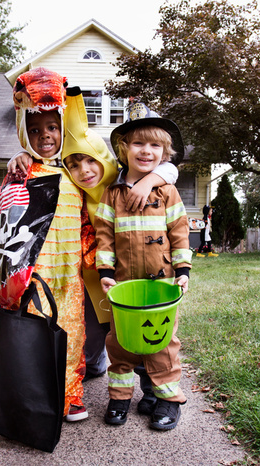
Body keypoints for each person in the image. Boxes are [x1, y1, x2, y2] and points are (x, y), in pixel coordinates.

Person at [8, 88, 179, 418]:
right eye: (75, 164)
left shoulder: (121, 179)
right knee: (99, 336)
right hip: (90, 275)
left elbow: (168, 169)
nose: (84, 169)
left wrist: (151, 178)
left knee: (140, 328)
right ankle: (97, 364)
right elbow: (43, 166)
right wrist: (18, 157)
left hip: (137, 269)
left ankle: (153, 389)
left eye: (90, 160)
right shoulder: (74, 185)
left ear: (104, 159)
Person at [0, 67, 87, 422]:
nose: (45, 135)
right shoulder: (23, 170)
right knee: (33, 331)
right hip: (36, 270)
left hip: (70, 268)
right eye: (34, 129)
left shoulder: (76, 170)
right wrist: (13, 162)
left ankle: (71, 394)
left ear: (63, 129)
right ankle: (35, 393)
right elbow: (7, 218)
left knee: (72, 329)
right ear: (23, 131)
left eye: (51, 127)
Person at [94, 103, 192, 431]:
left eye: (155, 145)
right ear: (123, 149)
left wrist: (183, 271)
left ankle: (166, 399)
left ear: (165, 152)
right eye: (138, 143)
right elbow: (104, 239)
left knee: (162, 342)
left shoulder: (166, 190)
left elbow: (180, 233)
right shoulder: (112, 194)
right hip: (124, 284)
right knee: (120, 342)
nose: (146, 151)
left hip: (161, 281)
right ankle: (120, 398)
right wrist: (105, 274)